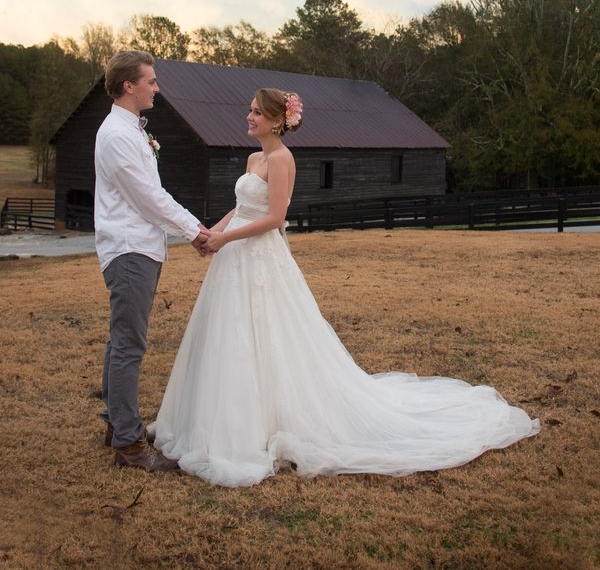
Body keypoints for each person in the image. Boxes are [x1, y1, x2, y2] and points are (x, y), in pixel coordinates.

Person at [150, 87, 540, 487]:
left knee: (270, 334)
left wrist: (225, 240)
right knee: (229, 333)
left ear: (275, 120)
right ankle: (223, 416)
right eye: (248, 110)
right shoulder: (254, 158)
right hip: (234, 258)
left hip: (260, 256)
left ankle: (267, 422)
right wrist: (211, 232)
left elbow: (275, 218)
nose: (248, 117)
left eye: (255, 113)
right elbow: (244, 207)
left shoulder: (283, 159)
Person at [95, 50, 209, 472]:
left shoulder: (132, 131)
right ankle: (129, 444)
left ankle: (115, 423)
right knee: (129, 344)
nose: (157, 88)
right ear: (130, 86)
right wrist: (195, 230)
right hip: (129, 249)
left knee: (120, 339)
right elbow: (149, 198)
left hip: (139, 246)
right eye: (152, 81)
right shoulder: (117, 136)